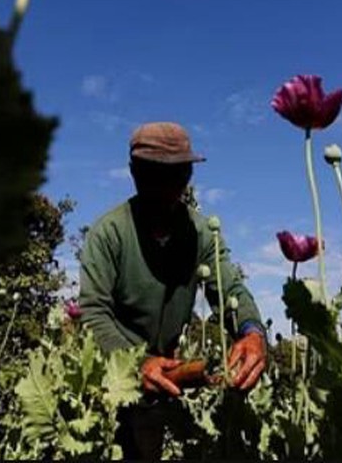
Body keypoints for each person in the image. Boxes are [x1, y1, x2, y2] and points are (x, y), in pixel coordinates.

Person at [78, 121, 267, 459]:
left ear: (188, 176)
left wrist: (251, 332)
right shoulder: (109, 233)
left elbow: (229, 290)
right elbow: (93, 312)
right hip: (110, 380)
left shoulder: (201, 233)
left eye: (178, 175)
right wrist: (137, 362)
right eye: (155, 175)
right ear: (135, 173)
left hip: (170, 380)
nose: (168, 187)